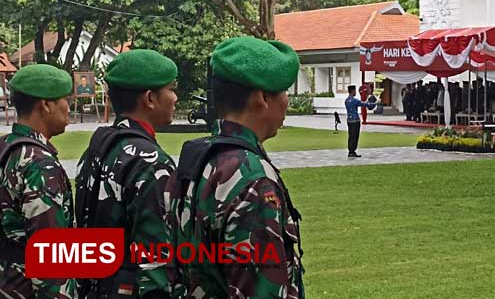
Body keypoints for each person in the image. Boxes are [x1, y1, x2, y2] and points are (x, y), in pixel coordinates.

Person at [167, 36, 304, 298]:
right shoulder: (252, 178)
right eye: (284, 91)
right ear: (261, 98)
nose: (287, 101)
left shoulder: (198, 158)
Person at [75, 49, 178, 299]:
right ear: (150, 98)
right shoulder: (151, 163)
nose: (175, 98)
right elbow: (156, 263)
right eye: (171, 89)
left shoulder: (97, 148)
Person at [0, 65, 75, 298]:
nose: (68, 108)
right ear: (46, 105)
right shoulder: (40, 164)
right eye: (65, 99)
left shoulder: (5, 147)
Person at [345, 84, 376, 157]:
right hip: (355, 120)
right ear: (352, 91)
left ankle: (350, 150)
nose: (355, 92)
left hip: (349, 120)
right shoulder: (354, 100)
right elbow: (364, 104)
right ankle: (352, 151)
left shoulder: (346, 100)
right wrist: (373, 104)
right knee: (355, 136)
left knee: (350, 136)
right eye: (355, 90)